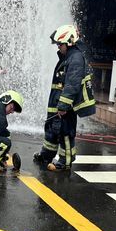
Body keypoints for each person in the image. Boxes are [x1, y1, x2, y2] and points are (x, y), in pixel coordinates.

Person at [33, 24, 96, 171]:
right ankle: (46, 155)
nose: (58, 47)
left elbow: (72, 84)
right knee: (51, 130)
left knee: (65, 133)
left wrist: (63, 106)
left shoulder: (75, 58)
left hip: (65, 105)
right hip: (57, 102)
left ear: (69, 42)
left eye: (60, 44)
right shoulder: (67, 57)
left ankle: (65, 162)